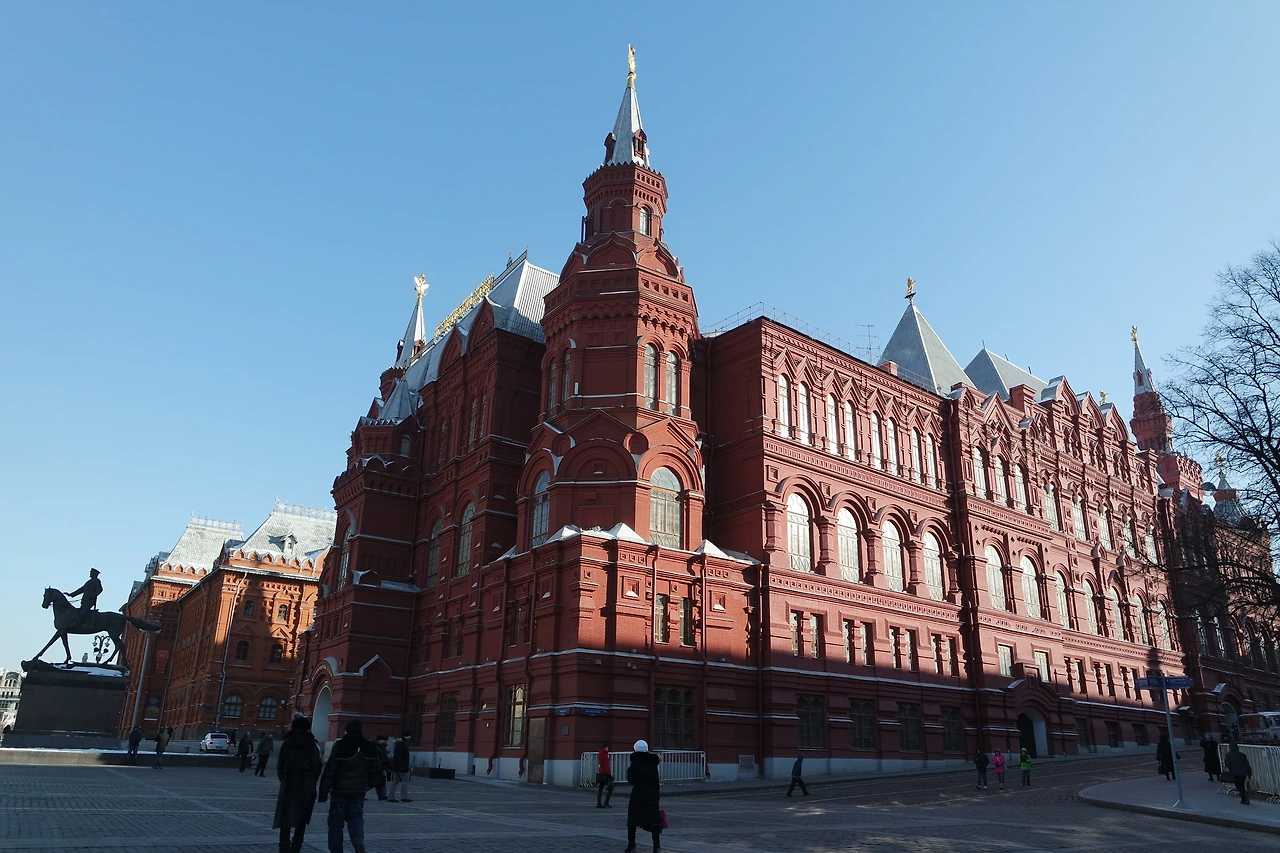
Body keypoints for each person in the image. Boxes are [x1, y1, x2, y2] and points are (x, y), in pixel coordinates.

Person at [318, 719, 380, 853]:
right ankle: (358, 840)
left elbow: (330, 770)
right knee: (356, 818)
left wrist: (323, 793)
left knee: (336, 822)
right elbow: (376, 771)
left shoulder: (341, 745)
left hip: (339, 791)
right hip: (359, 791)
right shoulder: (369, 746)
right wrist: (366, 785)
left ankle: (336, 850)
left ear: (347, 730)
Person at [274, 716, 323, 853]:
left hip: (288, 784)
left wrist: (284, 779)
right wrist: (312, 780)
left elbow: (280, 765)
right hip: (306, 784)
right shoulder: (311, 745)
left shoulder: (286, 743)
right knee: (302, 819)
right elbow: (316, 766)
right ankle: (296, 847)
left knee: (284, 818)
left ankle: (284, 847)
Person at [625, 740, 662, 853]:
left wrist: (629, 771)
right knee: (653, 822)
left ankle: (631, 845)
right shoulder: (653, 764)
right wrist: (657, 797)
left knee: (632, 821)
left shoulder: (635, 763)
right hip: (651, 794)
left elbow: (631, 780)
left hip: (638, 794)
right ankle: (656, 846)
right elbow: (656, 781)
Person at [390, 731, 412, 803]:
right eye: (409, 736)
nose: (410, 737)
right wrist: (405, 765)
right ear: (406, 736)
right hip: (402, 767)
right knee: (405, 781)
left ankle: (391, 797)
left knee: (394, 781)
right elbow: (402, 756)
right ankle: (404, 797)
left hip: (395, 766)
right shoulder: (402, 743)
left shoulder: (397, 743)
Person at [373, 735, 391, 800]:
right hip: (379, 767)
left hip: (382, 766)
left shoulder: (381, 747)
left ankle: (382, 795)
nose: (384, 742)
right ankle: (382, 795)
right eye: (383, 740)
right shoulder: (377, 747)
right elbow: (380, 758)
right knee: (376, 782)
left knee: (381, 782)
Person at [596, 743, 614, 808]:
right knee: (610, 787)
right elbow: (606, 765)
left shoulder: (600, 754)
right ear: (605, 748)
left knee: (600, 788)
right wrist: (609, 774)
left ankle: (599, 803)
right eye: (607, 748)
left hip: (601, 772)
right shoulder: (605, 755)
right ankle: (606, 802)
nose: (608, 749)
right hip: (605, 773)